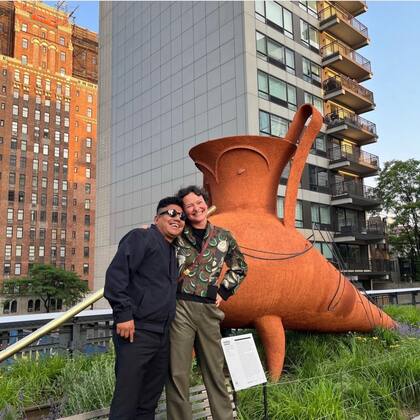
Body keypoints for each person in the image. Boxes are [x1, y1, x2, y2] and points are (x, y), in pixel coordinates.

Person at [166, 185, 248, 420]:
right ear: (183, 211)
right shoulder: (178, 233)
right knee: (177, 373)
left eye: (198, 202)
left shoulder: (223, 236)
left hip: (208, 309)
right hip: (180, 306)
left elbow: (240, 267)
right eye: (189, 206)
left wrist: (223, 291)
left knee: (215, 371)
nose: (196, 208)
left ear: (205, 201)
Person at [104, 196, 186, 420]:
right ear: (156, 217)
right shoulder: (142, 237)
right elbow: (116, 276)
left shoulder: (172, 251)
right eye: (171, 213)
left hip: (161, 335)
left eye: (182, 216)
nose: (178, 218)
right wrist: (123, 314)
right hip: (136, 332)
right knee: (126, 401)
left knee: (148, 402)